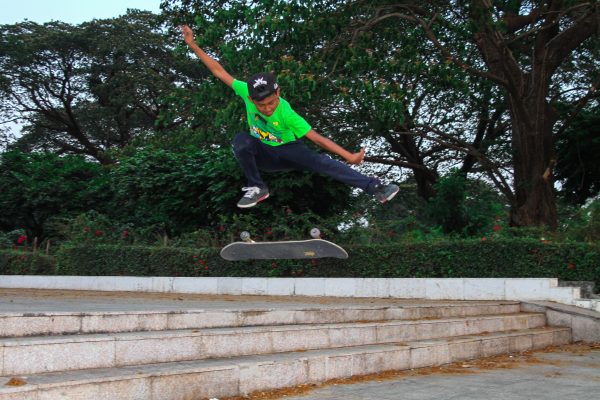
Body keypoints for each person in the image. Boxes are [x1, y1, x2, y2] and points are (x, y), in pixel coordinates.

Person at [180, 25, 399, 208]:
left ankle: (376, 187)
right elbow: (219, 71)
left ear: (278, 93)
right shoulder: (245, 91)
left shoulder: (287, 114)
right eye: (260, 105)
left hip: (288, 151)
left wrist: (349, 156)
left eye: (271, 103)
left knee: (321, 162)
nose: (266, 108)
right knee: (241, 140)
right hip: (263, 153)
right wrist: (193, 45)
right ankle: (257, 187)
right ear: (251, 98)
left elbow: (317, 138)